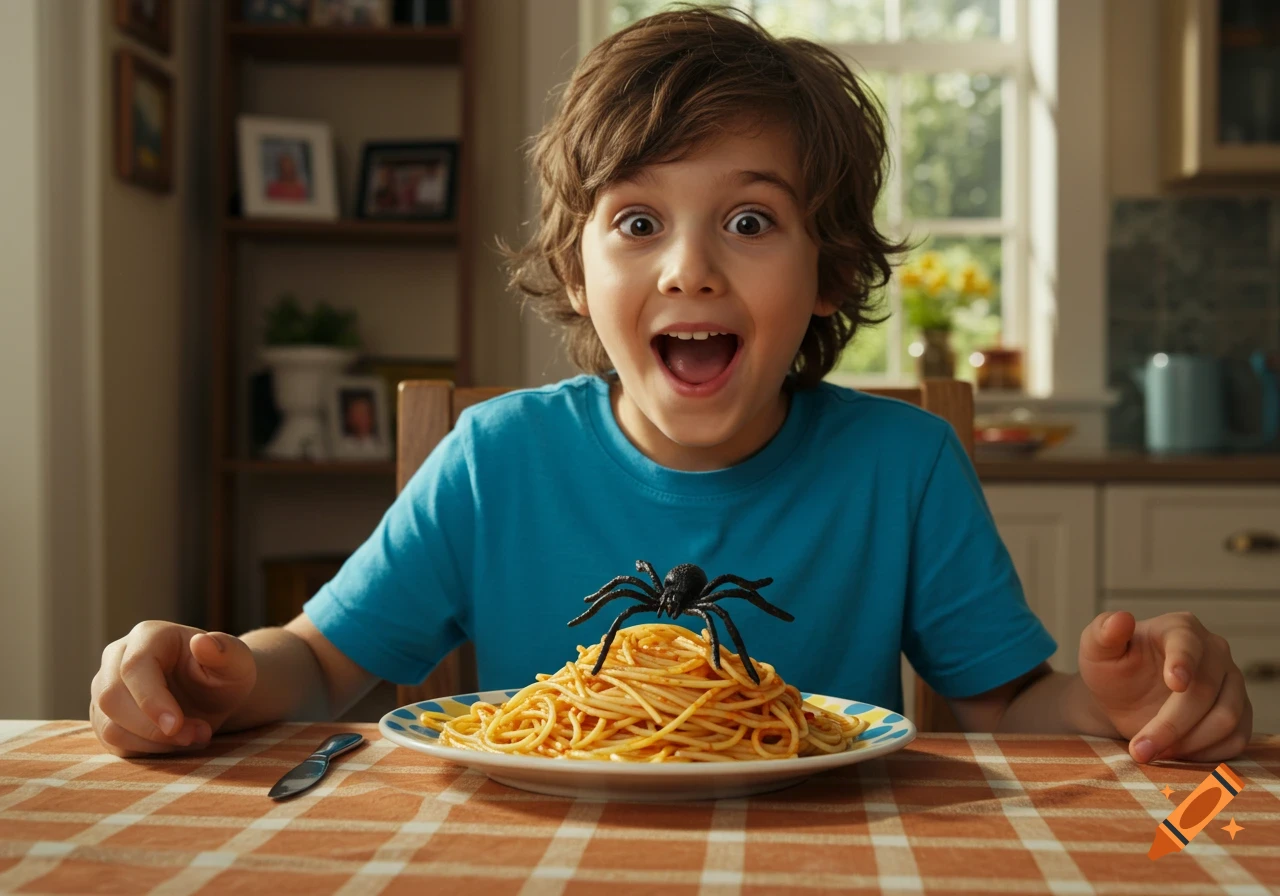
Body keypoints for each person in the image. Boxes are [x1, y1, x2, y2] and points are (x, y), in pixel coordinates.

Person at [90, 8, 1251, 763]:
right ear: (576, 269)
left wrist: (1113, 702)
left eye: (750, 220)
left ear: (827, 268)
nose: (688, 265)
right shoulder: (495, 460)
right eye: (636, 221)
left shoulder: (901, 468)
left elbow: (1007, 709)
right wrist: (220, 668)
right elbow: (323, 662)